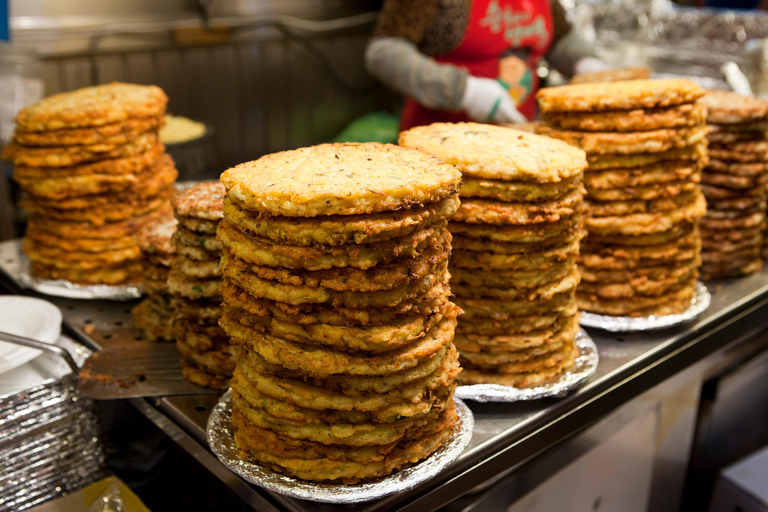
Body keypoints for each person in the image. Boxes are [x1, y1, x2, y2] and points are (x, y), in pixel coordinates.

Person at [365, 0, 608, 130]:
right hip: (440, 145)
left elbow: (559, 36)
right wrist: (463, 91)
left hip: (516, 138)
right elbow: (384, 52)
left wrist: (583, 61)